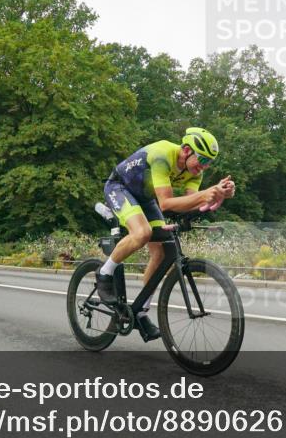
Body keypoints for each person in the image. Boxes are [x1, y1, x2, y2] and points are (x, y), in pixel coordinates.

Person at [98, 127, 235, 341]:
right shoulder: (163, 154)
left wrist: (218, 195)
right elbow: (167, 203)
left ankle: (140, 310)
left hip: (145, 198)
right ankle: (104, 273)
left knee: (161, 252)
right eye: (202, 159)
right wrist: (205, 195)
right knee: (142, 232)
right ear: (187, 150)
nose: (204, 166)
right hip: (119, 187)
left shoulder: (195, 171)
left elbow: (193, 204)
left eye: (209, 162)